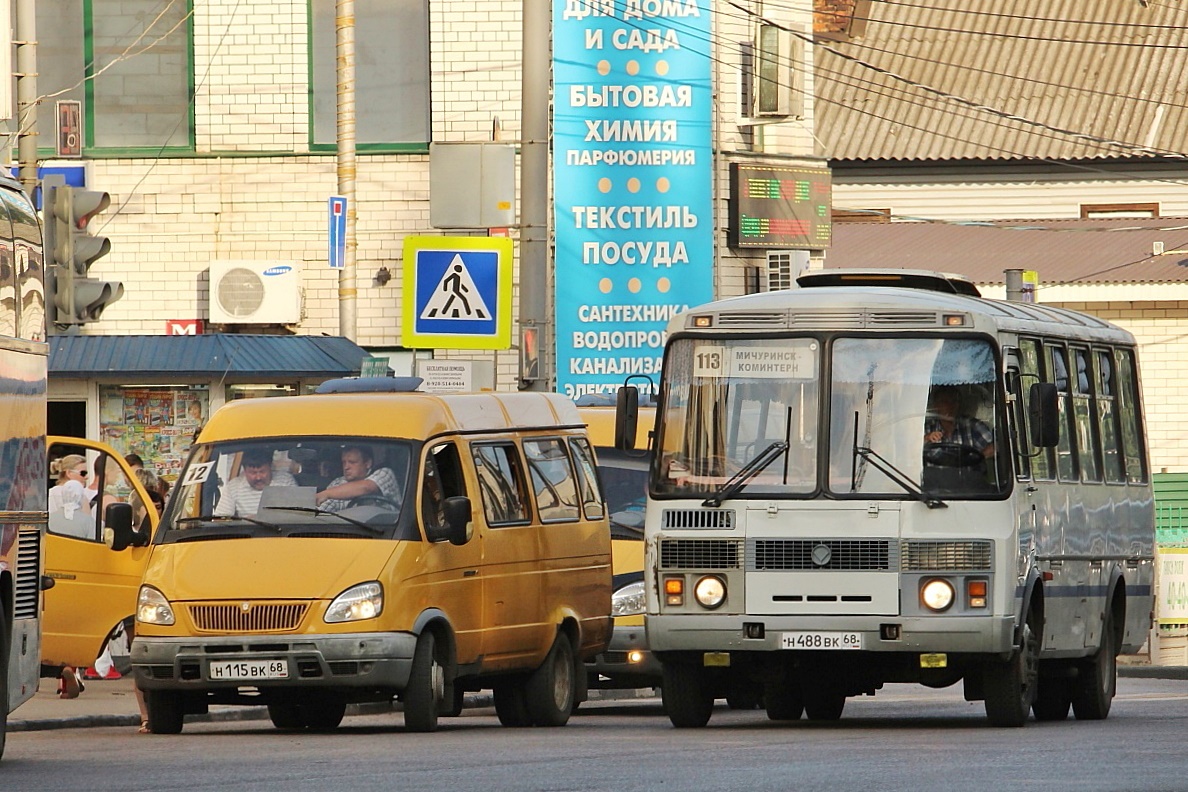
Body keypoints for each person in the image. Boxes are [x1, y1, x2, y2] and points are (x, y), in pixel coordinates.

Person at [213, 448, 296, 517]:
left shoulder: (286, 481)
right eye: (253, 473)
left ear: (270, 468)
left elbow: (299, 515)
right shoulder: (234, 487)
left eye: (262, 472)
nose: (258, 477)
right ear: (244, 471)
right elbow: (221, 519)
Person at [316, 445, 399, 511]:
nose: (346, 467)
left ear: (368, 463)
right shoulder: (338, 483)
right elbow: (323, 510)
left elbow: (366, 487)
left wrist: (326, 494)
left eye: (352, 462)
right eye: (344, 462)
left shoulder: (385, 474)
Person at [923, 386, 995, 460]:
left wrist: (974, 459)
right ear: (936, 405)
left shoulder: (972, 426)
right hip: (934, 471)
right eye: (945, 402)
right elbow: (912, 450)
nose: (950, 406)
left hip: (967, 471)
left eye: (954, 401)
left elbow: (996, 446)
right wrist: (925, 439)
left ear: (959, 405)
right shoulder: (927, 428)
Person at [48, 454, 91, 524]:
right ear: (69, 473)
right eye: (83, 473)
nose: (86, 477)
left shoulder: (49, 494)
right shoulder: (80, 496)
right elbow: (87, 525)